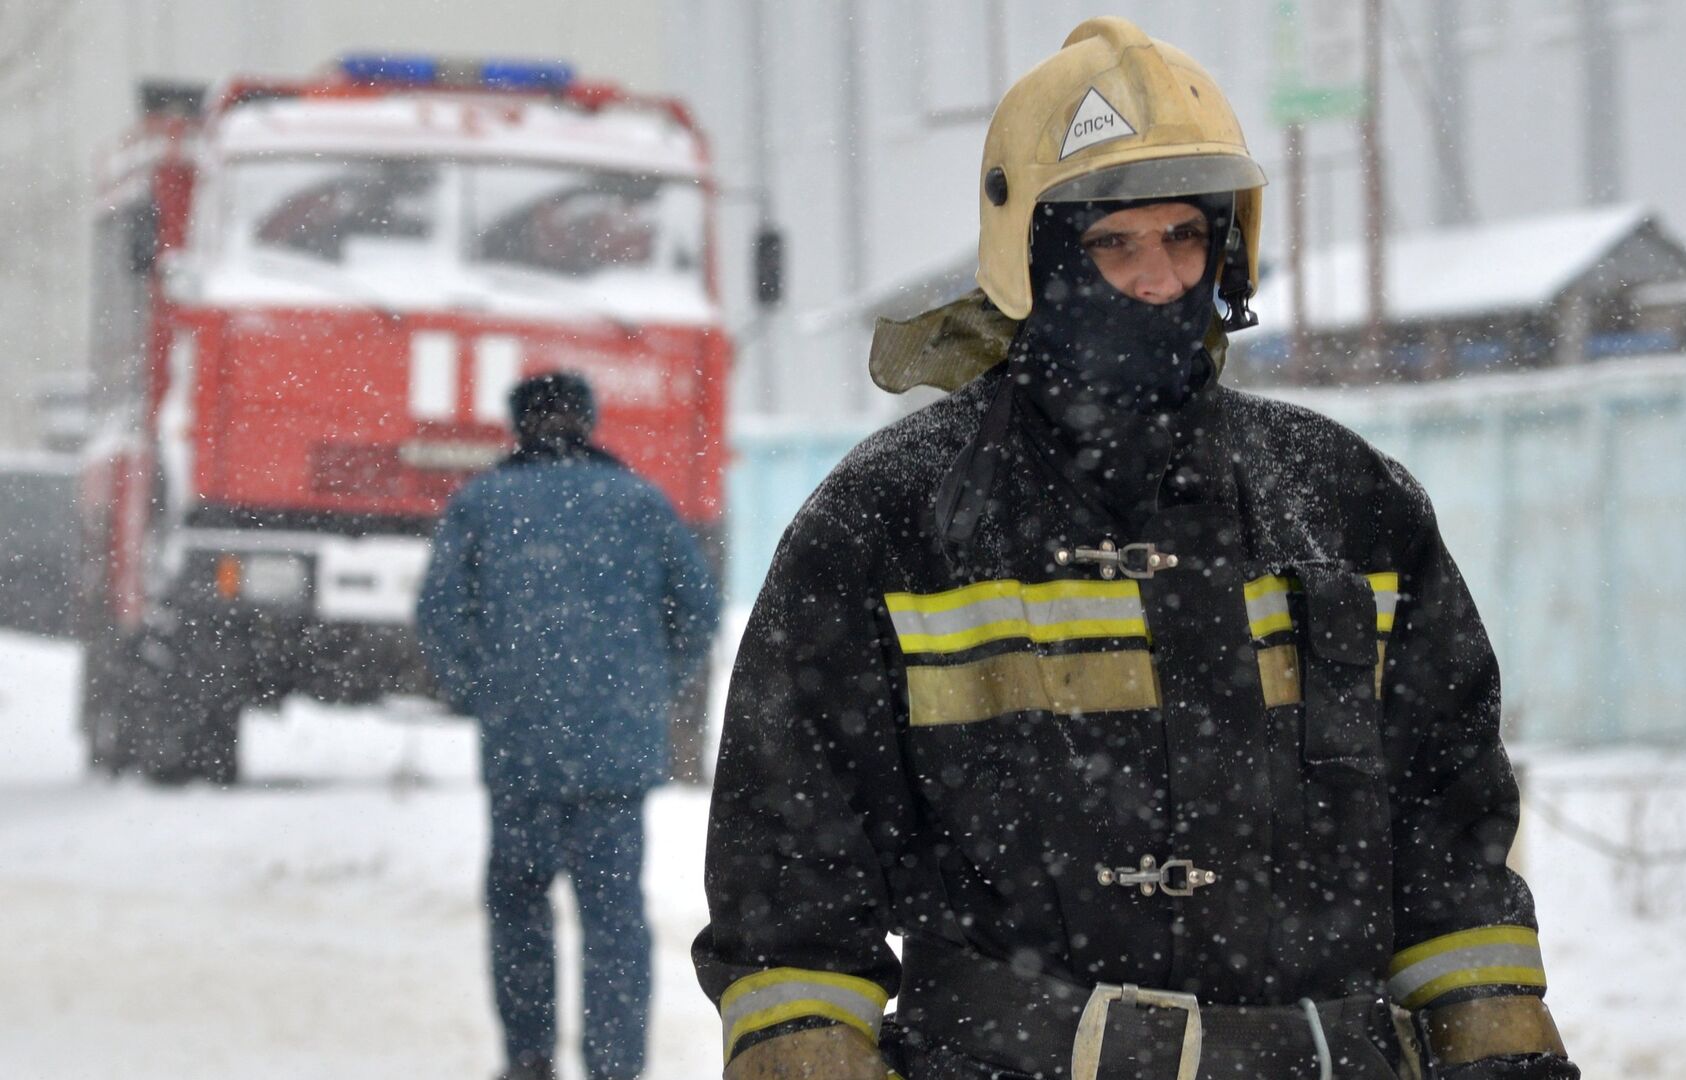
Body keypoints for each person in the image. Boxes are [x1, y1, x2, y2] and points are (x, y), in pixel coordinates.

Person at [695, 16, 1579, 1080]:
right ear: (1032, 255)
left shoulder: (1350, 507)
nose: (1159, 278)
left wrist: (1499, 1050)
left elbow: (1452, 843)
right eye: (1115, 242)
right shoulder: (890, 524)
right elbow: (791, 891)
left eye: (1185, 237)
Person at [417, 372, 719, 1080]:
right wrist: (651, 689)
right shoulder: (640, 504)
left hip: (520, 751)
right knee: (614, 918)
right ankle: (616, 1067)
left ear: (518, 426)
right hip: (615, 755)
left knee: (520, 907)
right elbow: (699, 610)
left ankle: (529, 1058)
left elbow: (439, 616)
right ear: (588, 422)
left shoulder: (483, 504)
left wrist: (483, 693)